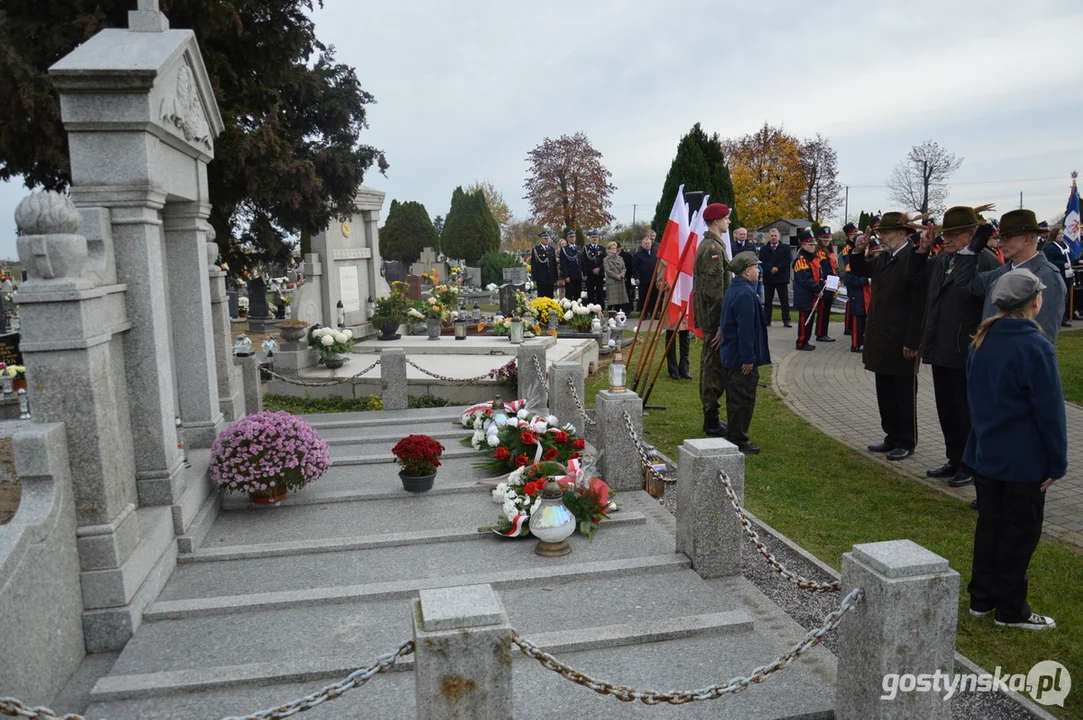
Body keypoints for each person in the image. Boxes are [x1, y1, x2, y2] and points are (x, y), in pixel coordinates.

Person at [965, 269, 1066, 631]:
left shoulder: (982, 338)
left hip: (987, 454)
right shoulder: (1036, 347)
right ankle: (1009, 609)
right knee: (1019, 534)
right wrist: (1058, 461)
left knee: (990, 527)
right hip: (1024, 461)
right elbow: (1050, 412)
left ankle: (982, 598)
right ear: (1034, 302)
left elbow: (974, 399)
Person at [908, 205, 1003, 487]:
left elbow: (991, 307)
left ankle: (970, 464)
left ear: (971, 235)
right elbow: (916, 280)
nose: (946, 239)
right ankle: (954, 457)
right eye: (945, 234)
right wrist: (923, 250)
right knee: (946, 408)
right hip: (940, 346)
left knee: (966, 411)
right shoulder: (943, 259)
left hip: (965, 349)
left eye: (953, 234)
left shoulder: (985, 262)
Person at [849, 212, 928, 461]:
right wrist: (857, 250)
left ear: (904, 234)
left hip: (902, 338)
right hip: (882, 336)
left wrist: (913, 340)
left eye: (887, 232)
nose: (881, 236)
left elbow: (918, 304)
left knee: (903, 392)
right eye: (880, 232)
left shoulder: (914, 259)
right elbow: (862, 268)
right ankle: (891, 436)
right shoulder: (885, 257)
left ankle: (906, 440)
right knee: (885, 390)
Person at [953, 209, 1066, 342]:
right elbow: (966, 282)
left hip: (1018, 358)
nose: (1000, 244)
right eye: (1000, 238)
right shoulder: (1001, 272)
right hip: (991, 354)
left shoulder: (1048, 276)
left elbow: (1044, 333)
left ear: (1026, 238)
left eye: (1006, 238)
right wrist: (971, 252)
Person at [720, 252, 770, 455]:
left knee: (735, 397)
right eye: (756, 268)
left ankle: (733, 433)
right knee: (743, 398)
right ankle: (738, 439)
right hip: (741, 358)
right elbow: (745, 330)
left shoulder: (736, 289)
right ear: (747, 271)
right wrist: (748, 358)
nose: (759, 271)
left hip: (731, 355)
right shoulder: (746, 294)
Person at [693, 202, 733, 437]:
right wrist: (720, 325)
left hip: (715, 320)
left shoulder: (714, 245)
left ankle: (713, 417)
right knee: (712, 369)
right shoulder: (712, 249)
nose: (728, 222)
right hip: (714, 321)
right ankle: (711, 420)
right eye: (726, 218)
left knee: (715, 367)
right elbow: (713, 291)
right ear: (716, 221)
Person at [655, 258, 691, 380]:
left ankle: (684, 368)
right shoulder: (665, 260)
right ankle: (673, 369)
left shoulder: (688, 258)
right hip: (672, 301)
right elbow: (659, 283)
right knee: (671, 335)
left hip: (685, 299)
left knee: (685, 336)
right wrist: (670, 282)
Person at [792, 230, 822, 350]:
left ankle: (806, 341)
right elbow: (805, 279)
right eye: (810, 244)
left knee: (810, 320)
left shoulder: (813, 258)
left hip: (812, 294)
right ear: (803, 245)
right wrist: (817, 288)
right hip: (805, 295)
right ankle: (801, 342)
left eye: (814, 244)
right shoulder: (801, 260)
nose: (813, 246)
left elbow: (818, 274)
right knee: (805, 321)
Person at [841, 226, 869, 351]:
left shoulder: (867, 261)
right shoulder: (852, 261)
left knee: (864, 319)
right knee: (857, 319)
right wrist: (866, 280)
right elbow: (850, 280)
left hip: (865, 295)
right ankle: (856, 344)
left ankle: (862, 343)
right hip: (856, 294)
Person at [759, 228, 792, 327]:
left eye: (775, 236)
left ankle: (786, 320)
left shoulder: (786, 247)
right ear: (769, 236)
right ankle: (767, 320)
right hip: (769, 278)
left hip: (781, 277)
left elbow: (787, 260)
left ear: (779, 237)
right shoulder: (764, 249)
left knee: (784, 301)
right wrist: (770, 268)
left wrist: (778, 268)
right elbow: (762, 261)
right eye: (772, 236)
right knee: (768, 301)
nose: (773, 238)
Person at [1042, 227, 1074, 327]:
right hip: (1059, 274)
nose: (1061, 236)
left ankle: (1067, 314)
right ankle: (1059, 318)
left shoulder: (1065, 245)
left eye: (1062, 234)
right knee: (1059, 297)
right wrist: (1062, 264)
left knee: (1067, 296)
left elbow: (1070, 257)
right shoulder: (1050, 247)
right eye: (1059, 234)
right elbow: (1048, 261)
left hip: (1068, 274)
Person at [813, 226, 839, 342]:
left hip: (832, 283)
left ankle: (824, 333)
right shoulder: (820, 252)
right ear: (819, 239)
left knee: (827, 310)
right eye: (824, 239)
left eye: (828, 238)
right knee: (823, 310)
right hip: (825, 283)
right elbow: (824, 268)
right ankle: (820, 333)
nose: (826, 241)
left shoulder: (830, 251)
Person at [633, 230, 659, 315]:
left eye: (649, 243)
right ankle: (643, 313)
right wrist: (636, 278)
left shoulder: (655, 253)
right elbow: (634, 267)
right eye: (646, 243)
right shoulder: (638, 255)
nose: (647, 245)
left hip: (654, 279)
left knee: (654, 297)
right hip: (643, 280)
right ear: (642, 245)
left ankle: (653, 313)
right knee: (643, 297)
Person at [840, 223, 859, 335]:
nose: (854, 235)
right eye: (851, 234)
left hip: (857, 274)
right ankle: (848, 327)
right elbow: (848, 263)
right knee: (850, 302)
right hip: (851, 275)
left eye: (855, 233)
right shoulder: (847, 248)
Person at [530, 230, 557, 299]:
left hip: (550, 277)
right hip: (541, 278)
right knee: (542, 296)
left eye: (547, 238)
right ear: (541, 239)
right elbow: (534, 265)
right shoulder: (536, 250)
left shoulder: (551, 249)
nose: (547, 240)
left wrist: (555, 277)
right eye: (545, 238)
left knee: (550, 296)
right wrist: (534, 278)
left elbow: (554, 264)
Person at [603, 241, 628, 310]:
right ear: (609, 250)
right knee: (612, 301)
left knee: (620, 301)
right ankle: (611, 315)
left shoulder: (620, 258)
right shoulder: (606, 259)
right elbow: (608, 270)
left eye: (615, 248)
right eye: (612, 248)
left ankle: (619, 314)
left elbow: (624, 268)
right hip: (612, 282)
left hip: (620, 281)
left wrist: (622, 275)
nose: (614, 250)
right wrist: (616, 276)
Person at [583, 230, 606, 305]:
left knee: (600, 293)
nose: (594, 239)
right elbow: (584, 262)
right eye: (593, 237)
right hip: (590, 274)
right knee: (590, 293)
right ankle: (591, 310)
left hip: (599, 274)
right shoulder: (586, 248)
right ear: (589, 238)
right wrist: (586, 273)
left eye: (596, 237)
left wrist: (599, 268)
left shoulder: (602, 248)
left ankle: (600, 310)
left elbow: (605, 261)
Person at [559, 230, 583, 302]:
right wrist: (566, 275)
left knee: (578, 294)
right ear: (567, 238)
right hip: (570, 275)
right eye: (571, 237)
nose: (572, 238)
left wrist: (584, 273)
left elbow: (582, 261)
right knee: (569, 295)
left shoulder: (579, 248)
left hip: (578, 275)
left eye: (574, 236)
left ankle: (578, 310)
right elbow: (563, 263)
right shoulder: (564, 249)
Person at [619, 242, 636, 312]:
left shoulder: (627, 256)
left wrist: (626, 276)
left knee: (627, 295)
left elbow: (630, 267)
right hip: (616, 278)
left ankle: (627, 310)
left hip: (626, 278)